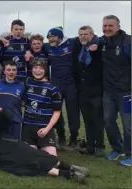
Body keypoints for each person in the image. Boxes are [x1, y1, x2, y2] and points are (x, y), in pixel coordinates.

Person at [0, 104, 90, 184]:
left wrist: (1, 112)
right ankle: (69, 174)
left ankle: (71, 167)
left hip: (7, 145)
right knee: (28, 165)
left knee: (35, 154)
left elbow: (6, 122)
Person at [100, 15, 131, 166]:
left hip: (126, 93)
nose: (107, 28)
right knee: (108, 121)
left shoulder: (128, 41)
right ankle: (118, 149)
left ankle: (130, 154)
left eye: (110, 26)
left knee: (128, 125)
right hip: (109, 91)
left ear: (118, 26)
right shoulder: (102, 41)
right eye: (105, 26)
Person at [71, 25, 105, 157]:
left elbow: (103, 40)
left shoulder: (99, 46)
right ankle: (90, 146)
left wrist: (96, 43)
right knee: (87, 120)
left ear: (92, 35)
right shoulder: (78, 47)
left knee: (98, 120)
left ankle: (100, 146)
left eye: (86, 34)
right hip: (83, 91)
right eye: (81, 34)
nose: (83, 36)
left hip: (96, 90)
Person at [22, 59, 62, 156]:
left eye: (41, 68)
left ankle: (70, 170)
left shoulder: (53, 89)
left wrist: (47, 129)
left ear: (46, 70)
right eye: (35, 68)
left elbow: (57, 112)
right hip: (28, 128)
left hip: (44, 128)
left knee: (52, 160)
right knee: (31, 158)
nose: (38, 71)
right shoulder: (27, 84)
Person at [0, 60, 25, 140]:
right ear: (4, 71)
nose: (11, 72)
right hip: (0, 120)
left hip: (15, 121)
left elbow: (24, 103)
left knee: (13, 146)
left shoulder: (22, 86)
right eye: (8, 70)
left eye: (14, 70)